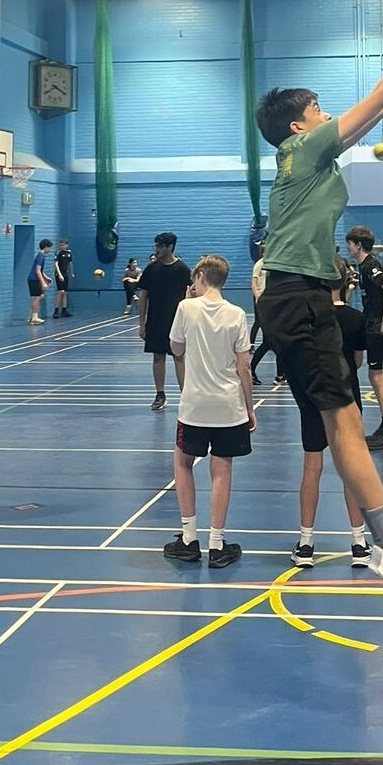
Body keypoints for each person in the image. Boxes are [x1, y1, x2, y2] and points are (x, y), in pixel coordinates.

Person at [254, 24, 383, 585]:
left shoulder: (309, 159)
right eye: (319, 107)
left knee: (342, 418)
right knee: (345, 418)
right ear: (298, 125)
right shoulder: (302, 147)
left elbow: (376, 114)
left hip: (299, 297)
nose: (328, 114)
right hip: (295, 296)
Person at [162, 255, 254, 569]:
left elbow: (176, 349)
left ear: (201, 276)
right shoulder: (237, 314)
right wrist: (249, 408)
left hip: (195, 407)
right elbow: (244, 367)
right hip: (229, 407)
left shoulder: (185, 308)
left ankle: (189, 539)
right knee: (222, 470)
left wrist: (188, 303)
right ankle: (217, 545)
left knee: (182, 462)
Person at [293, 259, 372, 568]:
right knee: (351, 469)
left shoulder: (308, 321)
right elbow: (357, 362)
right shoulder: (354, 318)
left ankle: (306, 544)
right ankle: (359, 543)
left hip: (314, 399)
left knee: (312, 467)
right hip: (348, 400)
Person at [346, 225, 383, 451]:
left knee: (377, 375)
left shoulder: (370, 265)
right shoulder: (367, 265)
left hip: (378, 325)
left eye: (349, 243)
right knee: (379, 375)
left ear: (358, 244)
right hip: (373, 323)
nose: (348, 247)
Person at [137, 231, 193, 411]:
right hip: (155, 320)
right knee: (158, 356)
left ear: (170, 247)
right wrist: (142, 323)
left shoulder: (183, 270)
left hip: (177, 321)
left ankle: (185, 395)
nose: (157, 249)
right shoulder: (151, 269)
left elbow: (191, 295)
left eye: (160, 246)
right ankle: (160, 395)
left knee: (179, 356)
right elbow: (143, 296)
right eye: (156, 246)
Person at [249, 243, 283, 384]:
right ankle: (251, 369)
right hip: (263, 303)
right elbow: (254, 281)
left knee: (275, 342)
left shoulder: (274, 265)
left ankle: (281, 374)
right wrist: (258, 297)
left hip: (272, 303)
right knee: (270, 341)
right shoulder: (260, 264)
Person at [27, 238, 52, 325]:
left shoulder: (40, 256)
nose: (50, 250)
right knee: (38, 297)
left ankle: (31, 316)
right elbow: (37, 271)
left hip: (34, 278)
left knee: (40, 296)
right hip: (34, 279)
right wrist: (43, 283)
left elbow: (40, 270)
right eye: (49, 248)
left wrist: (46, 277)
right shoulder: (41, 257)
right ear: (45, 247)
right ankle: (34, 317)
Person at [53, 238, 74, 318]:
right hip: (59, 274)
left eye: (63, 245)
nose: (62, 246)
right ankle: (56, 310)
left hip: (66, 274)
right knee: (60, 292)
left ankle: (64, 310)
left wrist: (71, 272)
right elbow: (56, 264)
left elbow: (70, 263)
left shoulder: (69, 253)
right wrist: (60, 274)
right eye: (61, 245)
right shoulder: (58, 253)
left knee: (65, 292)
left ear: (67, 245)